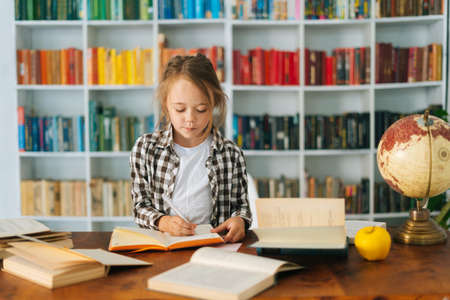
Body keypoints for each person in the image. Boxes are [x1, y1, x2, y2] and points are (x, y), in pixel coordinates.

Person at [130, 54, 251, 243]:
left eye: (201, 109)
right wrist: (163, 222)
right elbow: (140, 207)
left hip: (215, 249)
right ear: (166, 106)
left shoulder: (231, 154)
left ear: (214, 105)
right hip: (164, 247)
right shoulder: (146, 149)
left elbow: (241, 206)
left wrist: (240, 220)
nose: (190, 119)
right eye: (180, 109)